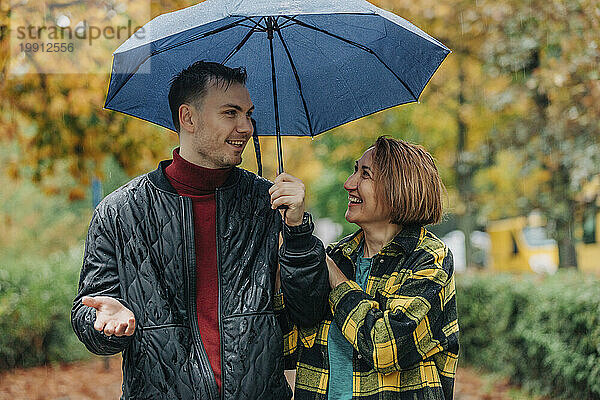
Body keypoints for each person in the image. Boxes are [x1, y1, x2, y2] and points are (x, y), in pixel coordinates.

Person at [71, 61, 329, 400]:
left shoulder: (267, 203)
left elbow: (309, 311)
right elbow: (89, 314)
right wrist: (107, 323)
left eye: (249, 114)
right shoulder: (121, 212)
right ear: (188, 118)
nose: (246, 127)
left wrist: (297, 230)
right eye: (230, 113)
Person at [281, 136, 459, 399]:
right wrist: (286, 252)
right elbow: (287, 347)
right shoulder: (339, 257)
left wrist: (335, 277)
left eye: (365, 174)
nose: (348, 183)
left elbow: (385, 347)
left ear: (398, 187)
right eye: (355, 170)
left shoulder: (428, 258)